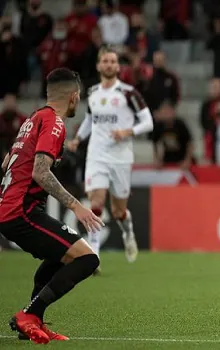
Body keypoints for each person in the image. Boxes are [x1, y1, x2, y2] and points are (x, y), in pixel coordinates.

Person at [0, 68, 103, 344]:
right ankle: (29, 315)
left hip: (12, 208)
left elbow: (6, 163)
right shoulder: (55, 123)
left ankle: (32, 323)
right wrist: (77, 207)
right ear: (74, 96)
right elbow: (40, 172)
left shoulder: (32, 120)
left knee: (61, 256)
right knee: (88, 259)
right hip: (22, 210)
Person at [67, 47, 154, 270]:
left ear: (118, 66)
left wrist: (127, 132)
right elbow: (89, 120)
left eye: (112, 61)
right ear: (98, 65)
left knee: (118, 211)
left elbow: (148, 122)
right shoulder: (93, 92)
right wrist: (78, 138)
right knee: (96, 201)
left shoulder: (128, 93)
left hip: (121, 158)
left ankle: (128, 231)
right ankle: (94, 254)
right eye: (105, 61)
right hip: (96, 155)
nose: (108, 64)